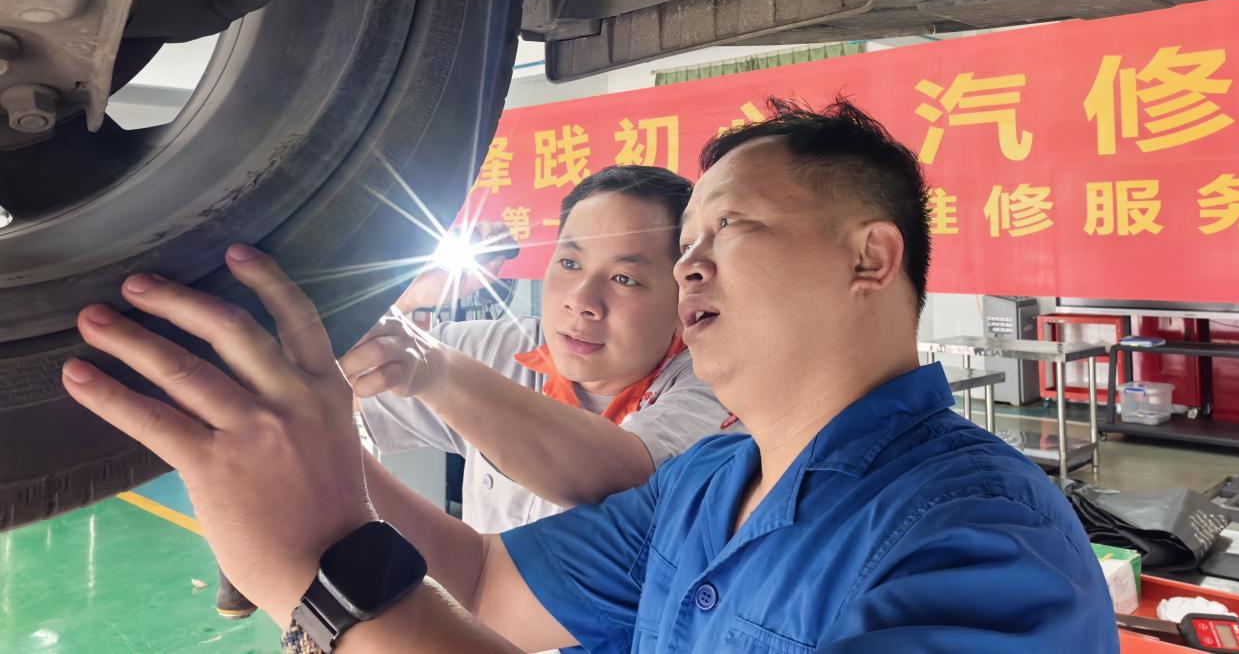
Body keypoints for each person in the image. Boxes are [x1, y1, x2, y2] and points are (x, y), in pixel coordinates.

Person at [61, 97, 1118, 653]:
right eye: (685, 243)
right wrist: (315, 457)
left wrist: (320, 568)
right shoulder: (707, 484)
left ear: (869, 260)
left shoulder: (978, 532)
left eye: (728, 229)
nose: (689, 266)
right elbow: (486, 585)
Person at [219, 165, 734, 620]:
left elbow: (623, 471)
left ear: (684, 293)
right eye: (569, 263)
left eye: (624, 278)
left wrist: (435, 370)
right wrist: (400, 301)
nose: (582, 301)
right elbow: (335, 395)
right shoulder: (504, 347)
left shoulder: (714, 388)